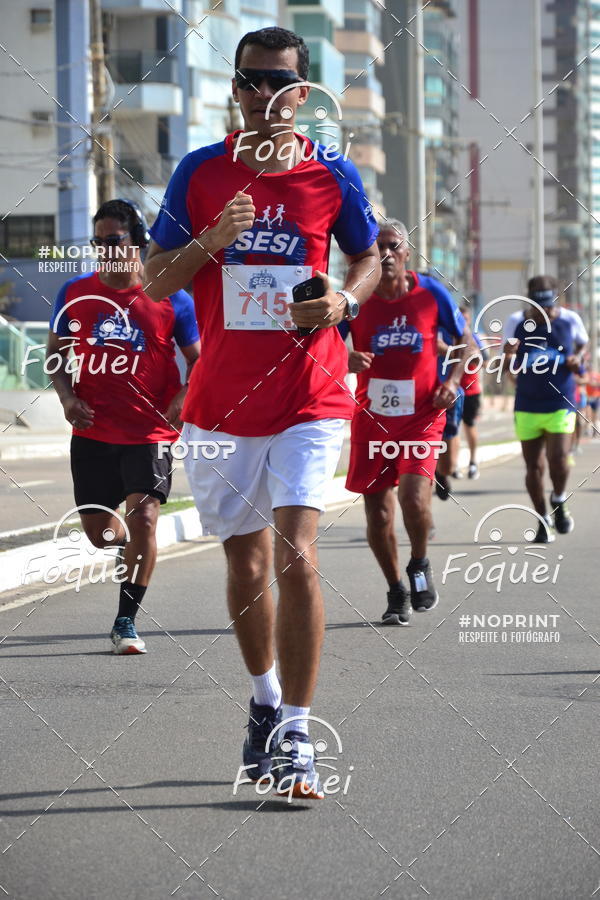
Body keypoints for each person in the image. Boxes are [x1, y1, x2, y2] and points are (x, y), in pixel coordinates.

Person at [143, 27, 380, 798]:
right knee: (245, 562)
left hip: (310, 393)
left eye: (280, 83)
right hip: (221, 403)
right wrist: (212, 239)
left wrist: (345, 299)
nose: (264, 96)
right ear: (235, 89)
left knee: (296, 555)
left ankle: (299, 736)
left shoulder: (332, 176)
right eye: (250, 81)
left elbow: (367, 256)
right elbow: (153, 282)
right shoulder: (199, 173)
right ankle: (265, 700)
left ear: (302, 94)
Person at [47, 199, 200, 654]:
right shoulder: (76, 293)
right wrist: (68, 397)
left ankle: (126, 621)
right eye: (98, 242)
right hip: (93, 433)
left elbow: (200, 360)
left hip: (149, 433)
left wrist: (183, 395)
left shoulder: (172, 297)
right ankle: (130, 551)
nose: (104, 249)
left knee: (146, 517)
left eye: (113, 240)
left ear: (136, 242)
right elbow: (55, 355)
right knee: (100, 535)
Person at [342, 221, 470, 625]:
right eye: (377, 248)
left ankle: (419, 562)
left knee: (414, 499)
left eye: (393, 247)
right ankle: (396, 589)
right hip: (372, 421)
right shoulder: (356, 298)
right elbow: (322, 343)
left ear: (407, 253)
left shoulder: (430, 293)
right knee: (378, 515)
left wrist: (452, 382)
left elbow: (467, 343)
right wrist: (344, 358)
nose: (385, 255)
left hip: (421, 418)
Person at [502, 275, 588, 542]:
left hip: (560, 401)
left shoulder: (570, 320)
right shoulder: (515, 322)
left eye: (549, 307)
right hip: (527, 403)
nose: (545, 314)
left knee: (559, 460)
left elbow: (582, 345)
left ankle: (559, 498)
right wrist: (508, 355)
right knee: (533, 468)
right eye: (539, 309)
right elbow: (506, 364)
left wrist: (577, 360)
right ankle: (543, 520)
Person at [456, 304, 485, 479]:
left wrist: (474, 358)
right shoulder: (449, 335)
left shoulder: (474, 338)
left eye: (466, 319)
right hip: (450, 389)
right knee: (451, 430)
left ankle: (473, 462)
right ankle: (453, 464)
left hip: (470, 390)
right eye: (460, 318)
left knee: (469, 426)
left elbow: (483, 361)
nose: (463, 322)